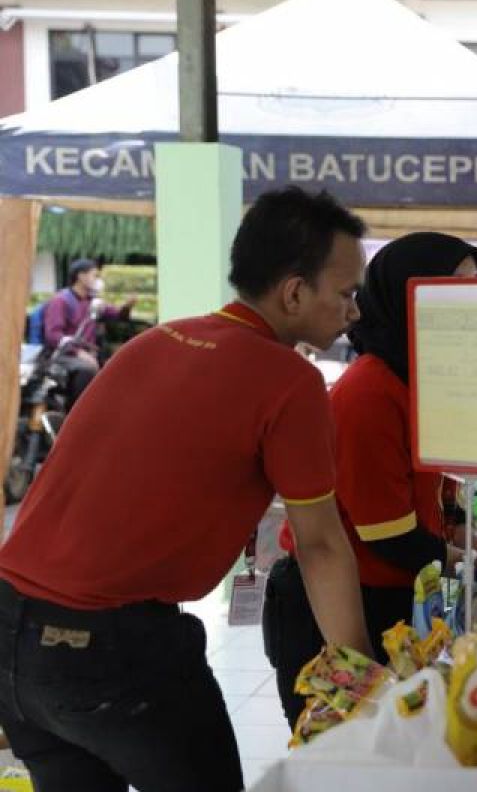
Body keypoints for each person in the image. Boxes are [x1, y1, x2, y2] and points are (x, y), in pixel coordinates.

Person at [0, 186, 372, 792]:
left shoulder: (157, 340)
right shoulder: (289, 381)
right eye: (347, 292)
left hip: (11, 632)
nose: (354, 310)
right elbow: (321, 546)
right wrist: (358, 686)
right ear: (295, 292)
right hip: (112, 648)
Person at [264, 232, 477, 727]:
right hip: (337, 607)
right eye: (454, 290)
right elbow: (389, 536)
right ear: (408, 296)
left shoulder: (418, 379)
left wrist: (462, 527)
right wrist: (471, 563)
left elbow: (435, 481)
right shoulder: (369, 392)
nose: (469, 306)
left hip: (391, 594)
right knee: (343, 752)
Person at [41, 258, 136, 410]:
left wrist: (127, 307)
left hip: (89, 354)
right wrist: (78, 352)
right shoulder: (61, 301)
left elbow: (117, 315)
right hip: (64, 355)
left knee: (118, 368)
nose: (97, 280)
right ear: (81, 276)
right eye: (94, 275)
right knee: (87, 369)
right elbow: (53, 335)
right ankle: (76, 413)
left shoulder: (92, 302)